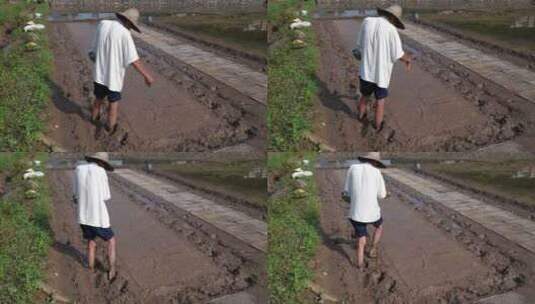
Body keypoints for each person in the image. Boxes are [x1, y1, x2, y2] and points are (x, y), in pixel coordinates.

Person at [88, 8, 154, 135]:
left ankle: (93, 119)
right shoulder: (125, 34)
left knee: (98, 98)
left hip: (99, 74)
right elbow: (134, 59)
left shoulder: (103, 24)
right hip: (113, 79)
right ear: (129, 22)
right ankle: (110, 127)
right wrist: (146, 76)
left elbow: (94, 48)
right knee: (113, 104)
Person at [354, 5, 412, 132]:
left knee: (364, 96)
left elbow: (359, 45)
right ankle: (378, 126)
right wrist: (408, 59)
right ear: (393, 18)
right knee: (380, 102)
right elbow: (398, 54)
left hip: (366, 72)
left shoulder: (367, 21)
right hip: (381, 76)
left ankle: (360, 116)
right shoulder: (391, 30)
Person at [72, 152, 117, 280]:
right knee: (111, 241)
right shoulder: (100, 172)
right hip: (98, 216)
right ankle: (111, 268)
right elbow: (106, 196)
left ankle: (90, 268)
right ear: (102, 163)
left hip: (83, 216)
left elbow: (75, 196)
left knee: (91, 242)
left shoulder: (78, 169)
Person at [342, 152, 387, 269]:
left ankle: (360, 265)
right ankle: (373, 248)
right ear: (376, 162)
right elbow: (382, 195)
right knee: (379, 226)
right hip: (373, 213)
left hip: (355, 213)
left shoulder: (352, 168)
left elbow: (346, 191)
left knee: (361, 240)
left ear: (364, 160)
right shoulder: (377, 172)